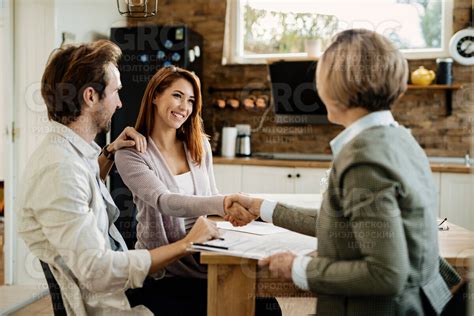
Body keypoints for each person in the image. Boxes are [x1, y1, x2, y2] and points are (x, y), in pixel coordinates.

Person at [225, 29, 460, 315]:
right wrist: (262, 207)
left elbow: (386, 274)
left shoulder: (364, 159)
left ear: (336, 85)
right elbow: (343, 222)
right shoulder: (399, 138)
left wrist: (298, 267)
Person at [16, 40, 222, 315]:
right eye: (116, 91)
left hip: (126, 289)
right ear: (90, 96)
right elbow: (98, 271)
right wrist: (185, 245)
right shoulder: (59, 170)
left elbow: (90, 187)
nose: (120, 102)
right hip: (118, 304)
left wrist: (110, 150)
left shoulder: (72, 155)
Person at [115, 66, 280, 315]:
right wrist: (224, 202)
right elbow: (164, 201)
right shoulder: (131, 153)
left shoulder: (198, 144)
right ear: (155, 96)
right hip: (163, 272)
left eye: (191, 100)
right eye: (177, 95)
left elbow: (209, 198)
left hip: (207, 258)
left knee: (267, 307)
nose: (184, 107)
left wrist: (236, 210)